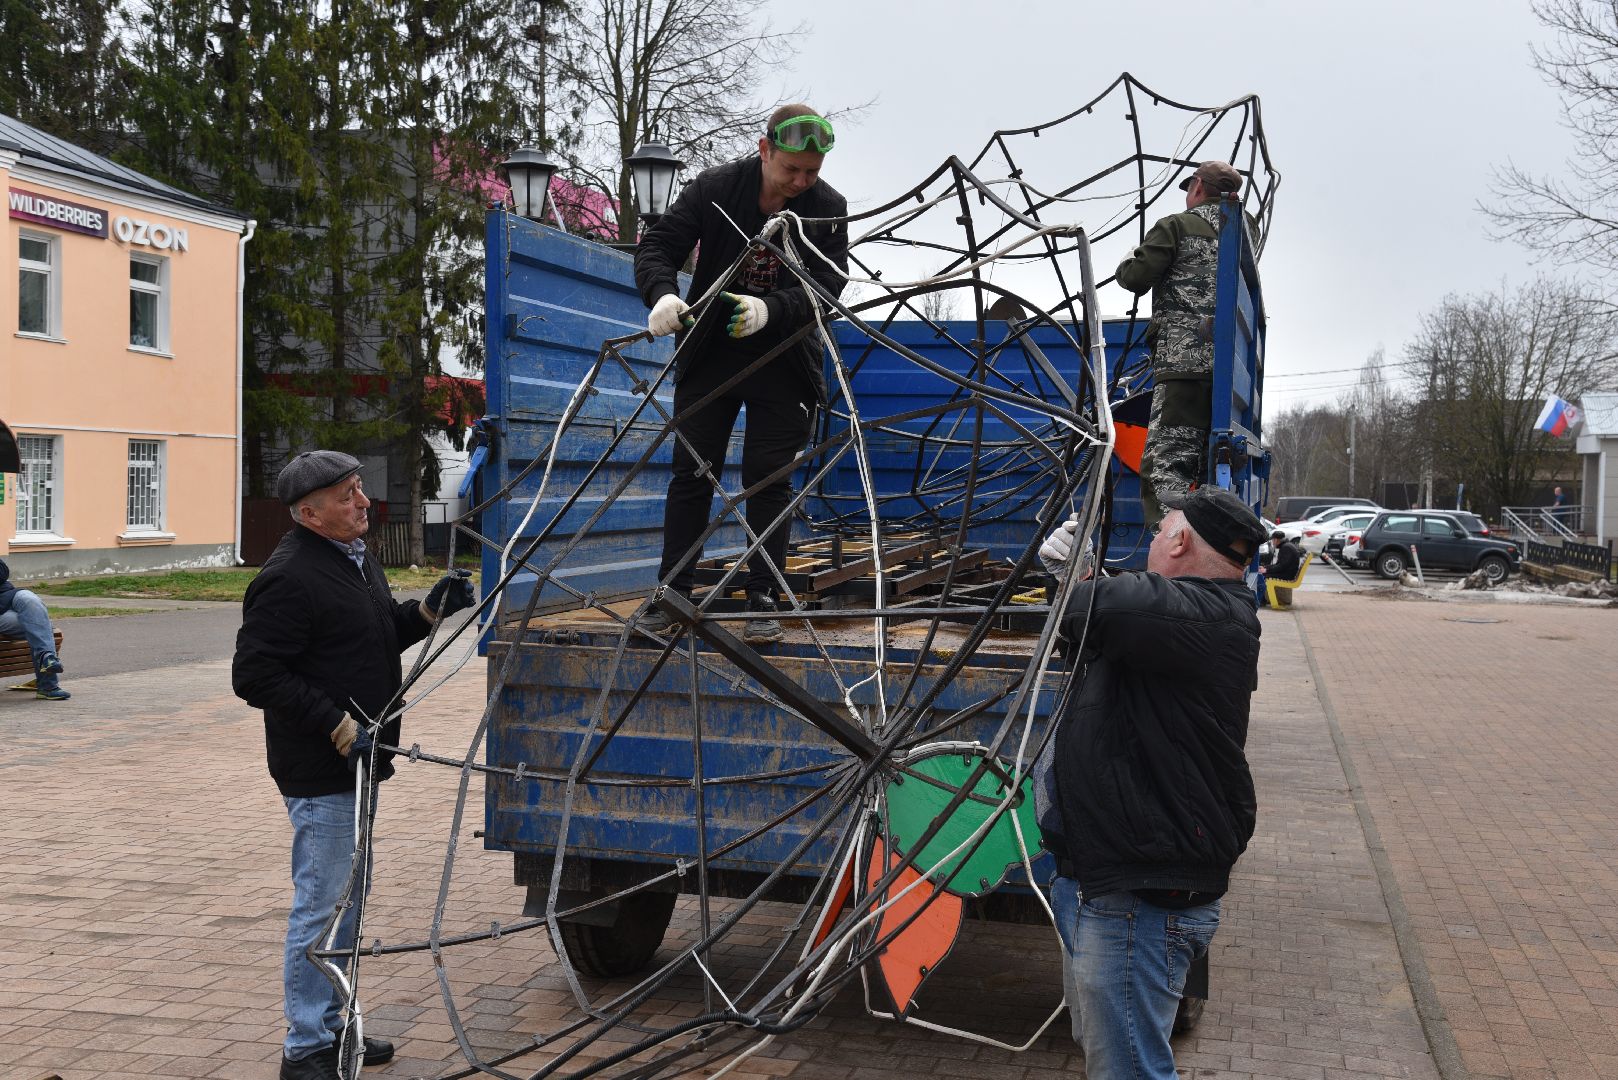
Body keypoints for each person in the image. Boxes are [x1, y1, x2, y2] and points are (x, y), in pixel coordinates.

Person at [232, 450, 476, 1080]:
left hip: (362, 762)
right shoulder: (288, 577)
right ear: (309, 514)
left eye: (360, 488)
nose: (363, 502)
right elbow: (255, 675)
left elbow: (369, 637)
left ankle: (337, 1029)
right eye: (346, 495)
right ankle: (305, 1047)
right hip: (321, 767)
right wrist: (336, 723)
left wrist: (426, 612)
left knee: (348, 900)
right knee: (323, 905)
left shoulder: (355, 558)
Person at [1037, 486, 1265, 1080]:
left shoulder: (1211, 616)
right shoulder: (1190, 617)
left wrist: (1077, 578)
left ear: (1181, 540)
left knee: (1129, 1072)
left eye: (1162, 528)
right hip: (1107, 884)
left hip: (1139, 905)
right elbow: (1119, 615)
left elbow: (1109, 609)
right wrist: (1087, 573)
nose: (1155, 539)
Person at [634, 103, 848, 643]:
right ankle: (672, 595)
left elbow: (827, 288)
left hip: (784, 358)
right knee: (692, 472)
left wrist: (771, 310)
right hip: (712, 350)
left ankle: (763, 597)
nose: (801, 182)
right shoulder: (716, 187)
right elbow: (658, 245)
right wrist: (661, 294)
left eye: (811, 172)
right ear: (765, 150)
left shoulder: (827, 208)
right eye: (791, 169)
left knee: (769, 479)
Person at [1116, 160, 1251, 525]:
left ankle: (1170, 557)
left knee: (1167, 465)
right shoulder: (1242, 235)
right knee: (1208, 466)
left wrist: (1130, 256)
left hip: (1183, 367)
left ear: (1197, 188)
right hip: (1232, 374)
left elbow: (1134, 278)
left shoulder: (1176, 225)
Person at [0, 557, 69, 700]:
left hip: (7, 595)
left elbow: (2, 573)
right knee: (37, 624)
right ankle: (48, 686)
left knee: (30, 599)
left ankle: (47, 658)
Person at [1258, 528, 1303, 606]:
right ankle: (1264, 599)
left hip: (1287, 575)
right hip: (1287, 572)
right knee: (1264, 574)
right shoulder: (1286, 546)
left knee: (1263, 576)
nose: (1272, 542)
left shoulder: (1286, 548)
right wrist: (1265, 567)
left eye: (1272, 540)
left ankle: (1262, 600)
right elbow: (1280, 565)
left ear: (1276, 540)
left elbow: (1281, 566)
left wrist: (1266, 570)